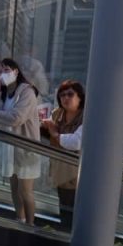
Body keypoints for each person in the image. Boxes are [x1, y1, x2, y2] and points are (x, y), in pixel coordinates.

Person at [0, 58, 41, 225]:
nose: (2, 74)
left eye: (6, 69)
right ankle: (20, 219)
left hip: (25, 149)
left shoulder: (27, 92)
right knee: (14, 188)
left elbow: (15, 118)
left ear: (16, 71)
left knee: (26, 191)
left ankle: (30, 225)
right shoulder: (5, 92)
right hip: (9, 148)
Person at [41, 80, 85, 231]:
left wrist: (54, 132)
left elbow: (76, 142)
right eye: (62, 95)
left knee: (73, 211)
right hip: (60, 169)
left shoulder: (86, 117)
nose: (65, 98)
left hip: (78, 173)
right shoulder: (57, 114)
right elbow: (51, 138)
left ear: (80, 97)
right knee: (64, 208)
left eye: (70, 94)